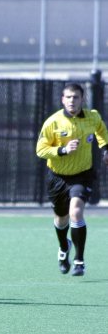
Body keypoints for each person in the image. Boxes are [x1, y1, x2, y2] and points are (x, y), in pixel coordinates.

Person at [36, 81, 108, 276]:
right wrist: (63, 150)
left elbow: (101, 131)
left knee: (76, 212)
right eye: (68, 97)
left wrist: (105, 149)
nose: (72, 101)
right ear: (62, 100)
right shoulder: (53, 122)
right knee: (61, 219)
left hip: (82, 175)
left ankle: (79, 260)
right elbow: (40, 150)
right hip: (57, 177)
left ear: (82, 99)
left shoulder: (92, 117)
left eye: (76, 97)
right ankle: (63, 247)